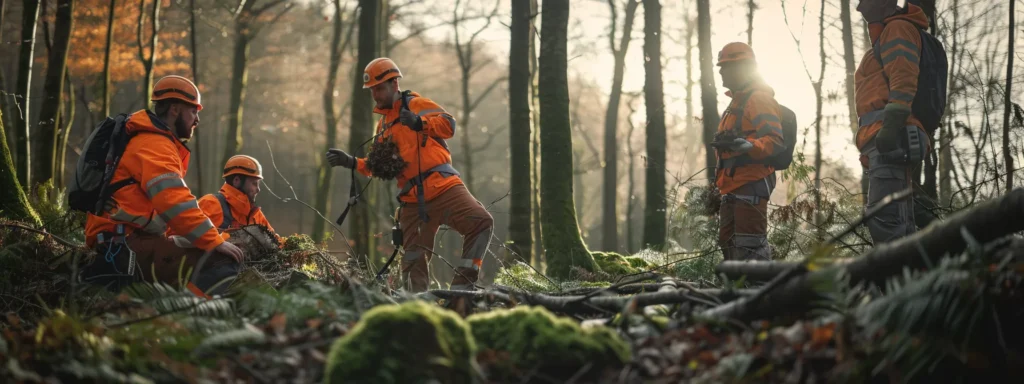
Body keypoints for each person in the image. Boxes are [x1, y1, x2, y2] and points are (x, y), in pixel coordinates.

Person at [326, 57, 494, 292]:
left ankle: (461, 292)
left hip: (443, 186)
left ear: (394, 84)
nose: (376, 95)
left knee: (481, 222)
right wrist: (352, 162)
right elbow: (378, 167)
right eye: (372, 90)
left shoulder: (415, 104)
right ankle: (419, 308)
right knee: (413, 259)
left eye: (380, 88)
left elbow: (449, 125)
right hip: (412, 201)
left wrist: (420, 123)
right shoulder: (383, 126)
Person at [81, 75, 244, 297]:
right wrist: (213, 241)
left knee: (200, 247)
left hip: (124, 241)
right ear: (175, 109)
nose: (197, 120)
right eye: (194, 111)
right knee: (221, 260)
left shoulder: (150, 141)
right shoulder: (155, 144)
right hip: (124, 245)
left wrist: (207, 237)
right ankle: (187, 317)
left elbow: (167, 213)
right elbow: (174, 202)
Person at [855, 0, 935, 244]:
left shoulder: (897, 29)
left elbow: (903, 77)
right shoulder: (887, 34)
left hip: (891, 136)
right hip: (884, 136)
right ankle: (912, 276)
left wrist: (890, 128)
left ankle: (900, 278)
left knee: (887, 222)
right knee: (894, 221)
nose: (860, 7)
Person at [712, 42, 785, 261]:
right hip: (732, 185)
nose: (721, 71)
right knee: (728, 242)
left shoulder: (759, 99)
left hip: (751, 181)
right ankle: (737, 291)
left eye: (726, 66)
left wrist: (750, 146)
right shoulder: (736, 103)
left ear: (742, 68)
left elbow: (775, 140)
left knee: (749, 246)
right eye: (721, 66)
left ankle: (759, 291)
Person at [177, 155, 283, 245]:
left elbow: (276, 243)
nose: (258, 189)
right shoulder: (211, 204)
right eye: (254, 183)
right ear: (237, 181)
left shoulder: (255, 215)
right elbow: (180, 237)